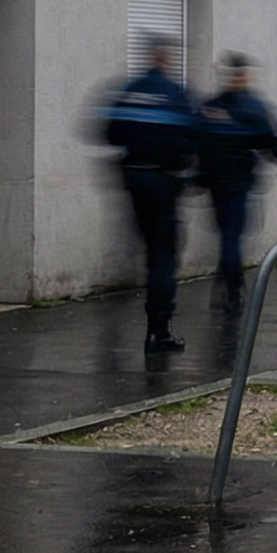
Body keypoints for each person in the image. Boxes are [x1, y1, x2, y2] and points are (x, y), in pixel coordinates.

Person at [103, 38, 199, 352]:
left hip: (134, 179)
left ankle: (155, 327)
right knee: (163, 256)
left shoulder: (129, 90)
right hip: (163, 182)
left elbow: (109, 133)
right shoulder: (175, 94)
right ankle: (159, 330)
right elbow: (194, 138)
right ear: (166, 58)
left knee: (149, 248)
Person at [194, 53, 277, 310]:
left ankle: (227, 279)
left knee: (227, 234)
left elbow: (196, 141)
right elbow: (273, 141)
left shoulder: (211, 107)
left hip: (215, 182)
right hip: (239, 182)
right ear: (245, 76)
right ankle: (232, 287)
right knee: (233, 235)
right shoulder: (254, 107)